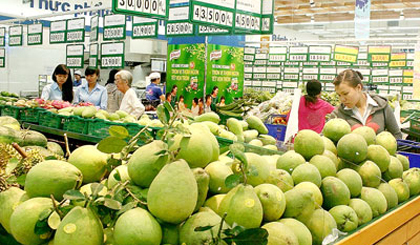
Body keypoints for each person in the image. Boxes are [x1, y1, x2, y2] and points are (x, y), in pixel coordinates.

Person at [333, 69, 402, 139]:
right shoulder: (337, 114)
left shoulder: (382, 106)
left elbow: (396, 135)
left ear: (359, 88)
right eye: (339, 95)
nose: (342, 99)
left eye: (345, 94)